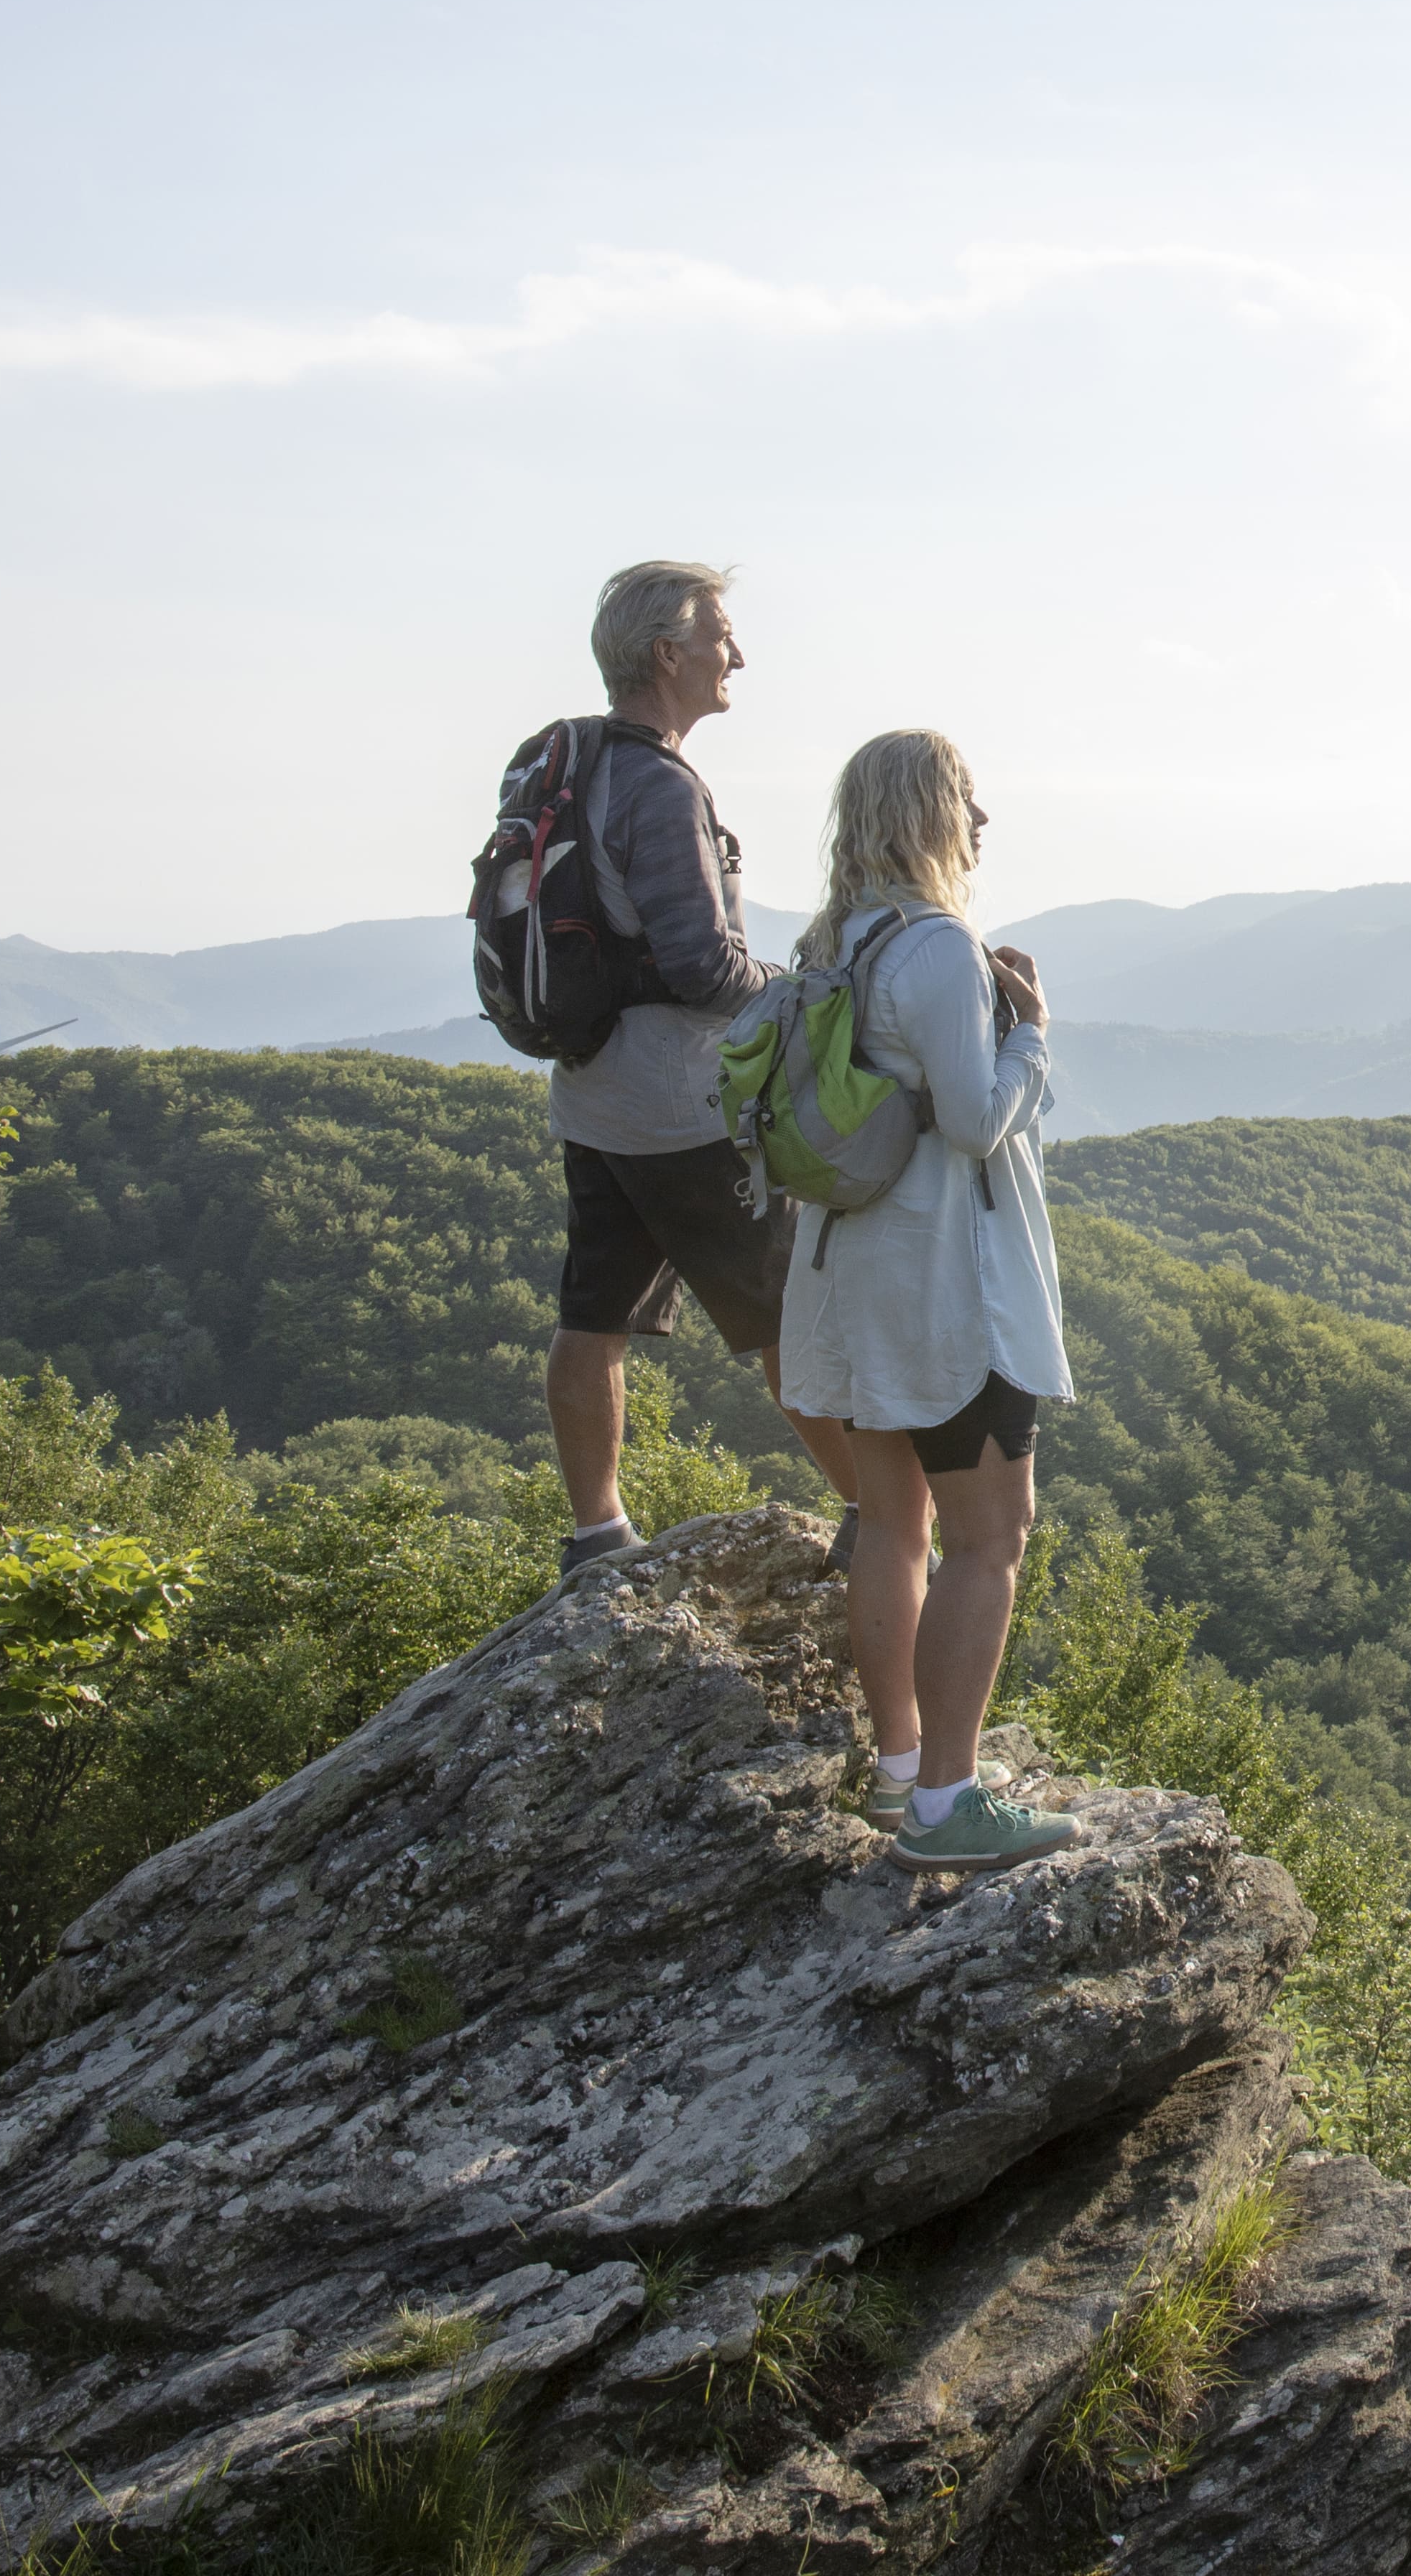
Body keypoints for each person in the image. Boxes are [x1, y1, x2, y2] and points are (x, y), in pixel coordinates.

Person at [779, 727, 1081, 1871]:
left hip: (854, 1274)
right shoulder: (941, 949)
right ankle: (950, 1806)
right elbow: (971, 1118)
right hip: (950, 1287)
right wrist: (1036, 1037)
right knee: (991, 1537)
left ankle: (900, 1767)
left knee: (894, 1523)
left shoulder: (836, 942)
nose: (983, 821)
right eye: (969, 798)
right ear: (927, 813)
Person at [543, 560, 875, 1578]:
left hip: (593, 1089)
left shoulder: (578, 763)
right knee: (790, 1317)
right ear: (667, 654)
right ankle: (879, 1516)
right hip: (680, 1106)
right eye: (722, 633)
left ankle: (596, 1532)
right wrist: (817, 985)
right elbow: (702, 966)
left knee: (592, 1312)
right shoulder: (658, 784)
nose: (737, 653)